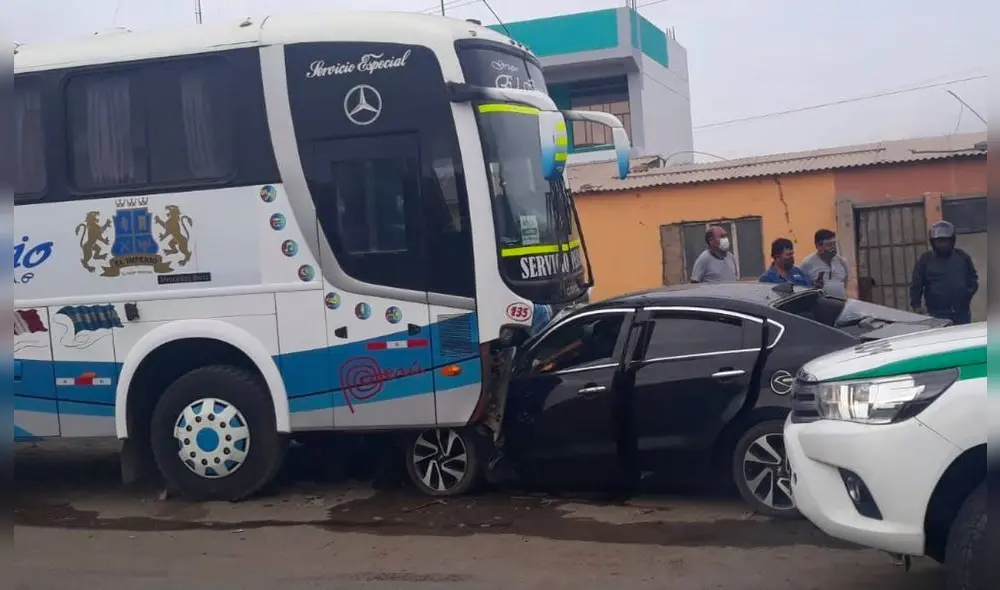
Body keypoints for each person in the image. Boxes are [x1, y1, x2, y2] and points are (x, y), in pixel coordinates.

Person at [909, 220, 978, 325]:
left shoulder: (962, 257)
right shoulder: (926, 260)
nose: (943, 244)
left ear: (952, 241)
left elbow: (973, 278)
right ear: (933, 242)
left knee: (962, 339)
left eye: (946, 241)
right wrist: (916, 305)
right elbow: (916, 284)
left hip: (961, 312)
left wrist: (967, 294)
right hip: (936, 313)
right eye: (939, 241)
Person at [800, 229, 849, 298]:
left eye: (834, 244)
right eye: (829, 245)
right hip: (820, 306)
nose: (833, 248)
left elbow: (845, 283)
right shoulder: (807, 263)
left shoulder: (842, 262)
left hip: (840, 304)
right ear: (818, 246)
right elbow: (802, 288)